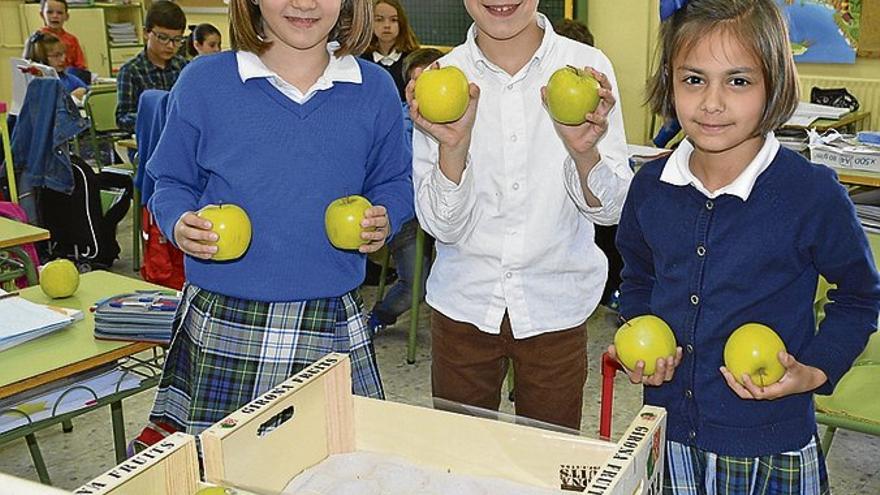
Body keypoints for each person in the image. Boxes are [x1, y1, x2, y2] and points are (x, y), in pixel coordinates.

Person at [611, 1, 880, 493]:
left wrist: (816, 368)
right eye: (694, 79)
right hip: (669, 433)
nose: (712, 103)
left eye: (738, 81)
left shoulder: (811, 194)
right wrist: (638, 333)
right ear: (669, 81)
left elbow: (861, 295)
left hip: (770, 441)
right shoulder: (650, 186)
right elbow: (639, 278)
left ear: (774, 83)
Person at [143, 0, 413, 435]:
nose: (304, 3)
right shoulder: (204, 81)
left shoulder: (374, 88)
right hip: (224, 316)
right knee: (219, 470)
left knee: (333, 468)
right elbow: (170, 181)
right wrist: (179, 222)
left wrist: (388, 216)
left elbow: (395, 181)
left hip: (328, 316)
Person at [408, 1, 631, 430]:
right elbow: (441, 226)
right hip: (463, 308)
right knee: (460, 461)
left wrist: (583, 152)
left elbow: (611, 211)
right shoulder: (441, 79)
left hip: (556, 307)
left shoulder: (587, 68)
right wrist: (453, 148)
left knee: (547, 464)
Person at [367, 47, 444, 334]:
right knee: (416, 284)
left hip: (456, 218)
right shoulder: (398, 122)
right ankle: (379, 317)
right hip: (411, 217)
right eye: (419, 84)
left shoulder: (469, 119)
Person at [115, 1, 188, 132]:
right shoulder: (131, 71)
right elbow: (122, 119)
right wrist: (153, 118)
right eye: (163, 37)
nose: (170, 45)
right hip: (147, 141)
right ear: (146, 33)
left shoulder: (184, 67)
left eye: (177, 40)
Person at [360, 0, 419, 101]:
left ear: (401, 24)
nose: (387, 25)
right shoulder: (361, 60)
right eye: (379, 19)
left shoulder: (414, 60)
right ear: (370, 23)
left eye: (393, 20)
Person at [24, 31, 87, 100]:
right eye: (57, 55)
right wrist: (70, 98)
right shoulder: (37, 84)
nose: (63, 59)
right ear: (40, 58)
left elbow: (88, 91)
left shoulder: (68, 78)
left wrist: (84, 90)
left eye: (64, 54)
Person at [39, 0, 86, 71]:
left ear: (66, 16)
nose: (55, 16)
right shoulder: (37, 39)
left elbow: (80, 66)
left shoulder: (72, 40)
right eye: (50, 12)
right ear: (42, 15)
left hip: (69, 78)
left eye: (59, 13)